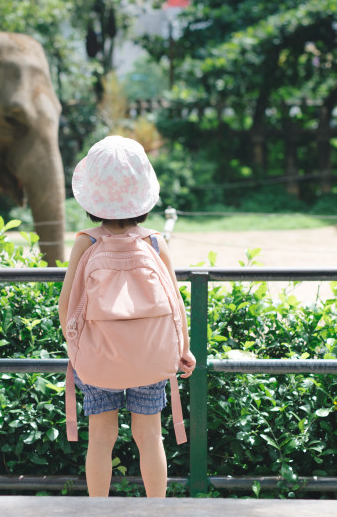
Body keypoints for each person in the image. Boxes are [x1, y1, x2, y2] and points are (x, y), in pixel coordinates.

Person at [58, 135, 196, 498]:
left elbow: (67, 305)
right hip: (151, 356)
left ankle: (99, 510)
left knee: (101, 439)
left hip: (98, 357)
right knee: (150, 437)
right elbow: (176, 303)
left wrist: (76, 352)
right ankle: (156, 509)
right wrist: (184, 347)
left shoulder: (86, 242)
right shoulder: (153, 242)